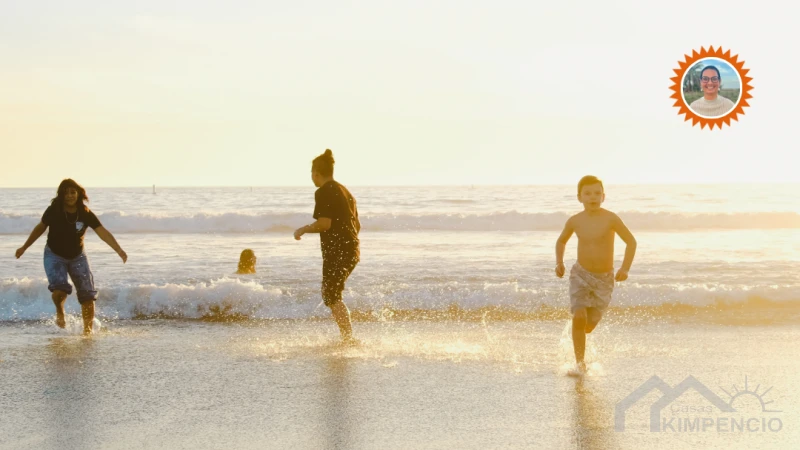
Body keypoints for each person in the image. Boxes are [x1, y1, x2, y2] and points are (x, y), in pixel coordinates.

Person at [15, 179, 127, 334]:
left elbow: (102, 231)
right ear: (61, 195)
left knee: (87, 295)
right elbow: (40, 228)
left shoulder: (85, 212)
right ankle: (60, 312)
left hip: (78, 256)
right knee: (60, 290)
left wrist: (118, 250)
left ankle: (87, 333)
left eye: (72, 192)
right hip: (54, 255)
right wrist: (24, 247)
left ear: (78, 193)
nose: (69, 196)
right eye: (66, 193)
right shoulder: (54, 210)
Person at [555, 175, 636, 376]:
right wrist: (559, 262)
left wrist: (625, 268)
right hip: (580, 274)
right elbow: (561, 241)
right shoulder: (575, 220)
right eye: (588, 193)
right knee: (579, 316)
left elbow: (631, 242)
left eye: (597, 193)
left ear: (604, 196)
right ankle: (580, 364)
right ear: (579, 197)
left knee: (589, 326)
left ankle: (577, 334)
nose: (593, 197)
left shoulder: (611, 218)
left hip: (604, 279)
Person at [294, 149, 360, 343]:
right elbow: (357, 225)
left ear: (316, 173)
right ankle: (348, 337)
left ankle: (348, 339)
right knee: (332, 294)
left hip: (337, 251)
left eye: (312, 174)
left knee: (331, 295)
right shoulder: (346, 191)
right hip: (352, 249)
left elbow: (324, 224)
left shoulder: (323, 191)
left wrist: (303, 229)